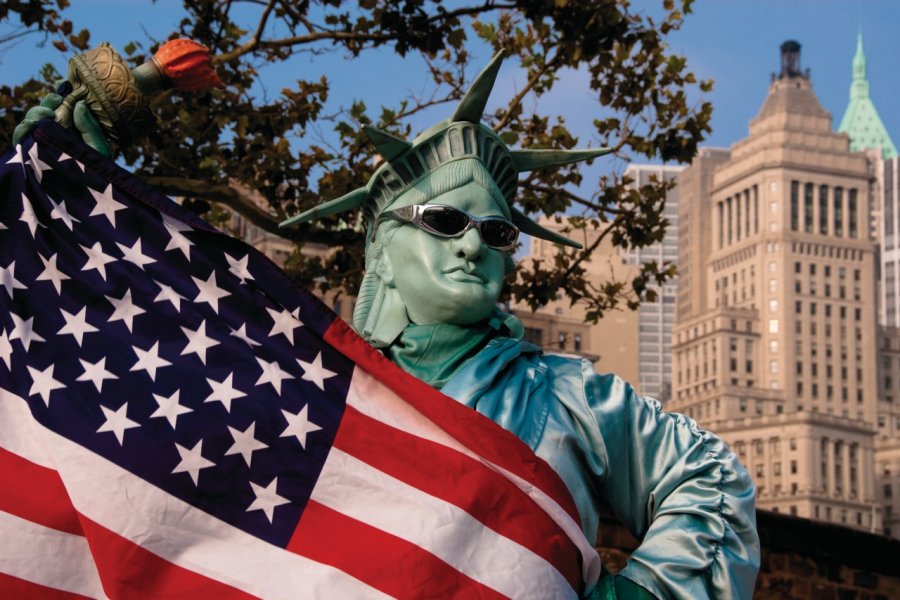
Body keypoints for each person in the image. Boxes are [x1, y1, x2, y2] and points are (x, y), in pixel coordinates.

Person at [17, 50, 759, 600]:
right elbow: (159, 428)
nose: (474, 243)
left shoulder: (564, 395)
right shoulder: (298, 379)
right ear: (380, 243)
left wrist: (647, 594)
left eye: (498, 235)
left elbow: (711, 477)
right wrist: (78, 210)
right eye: (445, 220)